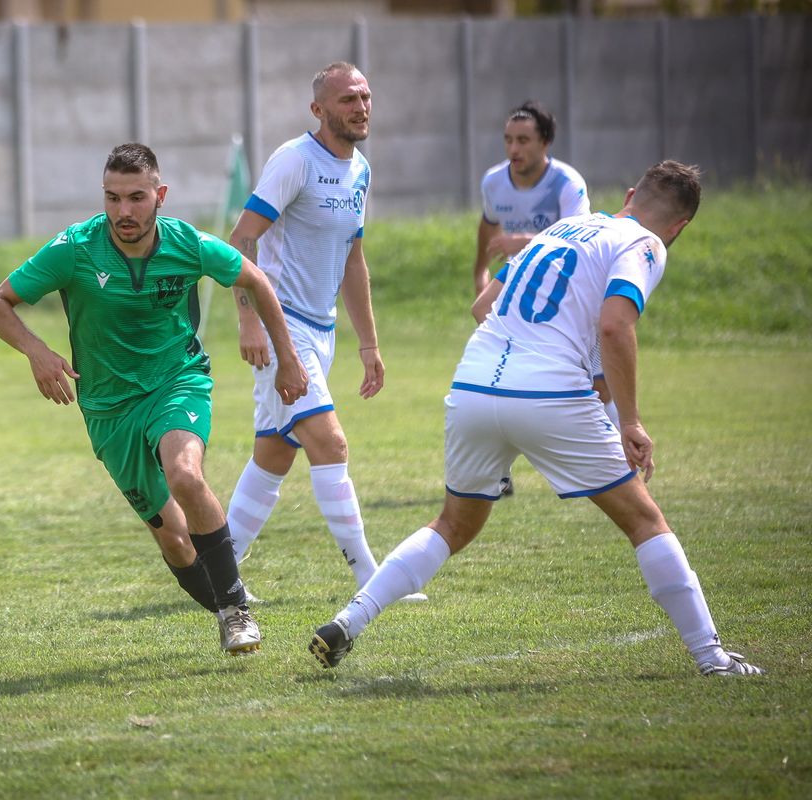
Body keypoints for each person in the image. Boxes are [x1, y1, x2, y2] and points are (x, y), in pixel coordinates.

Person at [310, 160, 763, 678]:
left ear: (632, 193)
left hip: (474, 385)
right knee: (645, 521)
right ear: (681, 226)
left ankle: (351, 619)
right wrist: (630, 422)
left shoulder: (560, 229)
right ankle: (713, 658)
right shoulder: (645, 244)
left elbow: (484, 305)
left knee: (452, 524)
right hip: (547, 393)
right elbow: (615, 327)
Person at [0, 143, 309, 655]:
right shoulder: (75, 249)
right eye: (112, 198)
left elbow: (254, 278)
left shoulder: (188, 244)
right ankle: (228, 602)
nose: (123, 212)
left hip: (175, 380)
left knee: (184, 474)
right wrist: (37, 352)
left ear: (160, 195)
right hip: (109, 409)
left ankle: (235, 612)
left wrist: (287, 358)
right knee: (175, 541)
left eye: (136, 198)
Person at [222, 61, 423, 603]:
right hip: (282, 326)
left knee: (275, 453)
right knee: (329, 442)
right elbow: (240, 242)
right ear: (319, 110)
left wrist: (369, 342)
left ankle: (217, 572)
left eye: (365, 97)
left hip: (323, 330)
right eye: (347, 99)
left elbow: (353, 258)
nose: (360, 107)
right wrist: (249, 320)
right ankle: (371, 577)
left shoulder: (360, 169)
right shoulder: (294, 160)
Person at [472, 101, 619, 436]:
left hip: (571, 294)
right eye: (508, 140)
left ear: (545, 143)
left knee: (599, 386)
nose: (513, 149)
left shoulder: (567, 183)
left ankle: (625, 456)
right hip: (521, 294)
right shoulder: (494, 182)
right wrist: (480, 274)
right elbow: (487, 225)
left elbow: (580, 243)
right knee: (493, 376)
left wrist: (524, 240)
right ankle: (497, 474)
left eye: (523, 140)